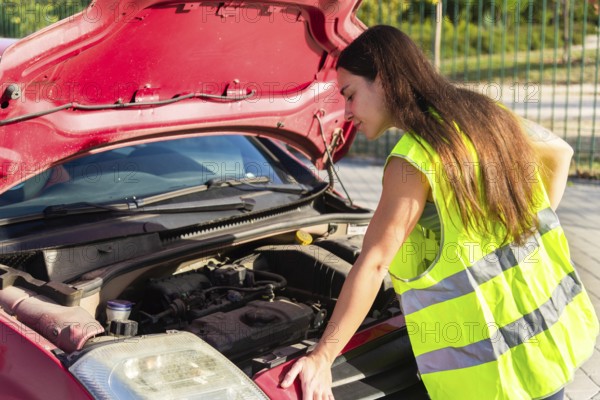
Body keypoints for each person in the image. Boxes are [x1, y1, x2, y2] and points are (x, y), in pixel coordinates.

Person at [279, 25, 599, 400]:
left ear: (381, 79)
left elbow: (376, 262)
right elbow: (559, 153)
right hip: (547, 345)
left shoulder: (414, 159)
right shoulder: (482, 114)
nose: (346, 113)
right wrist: (525, 221)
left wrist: (323, 355)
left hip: (492, 377)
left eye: (349, 95)